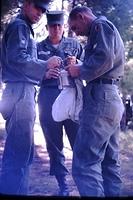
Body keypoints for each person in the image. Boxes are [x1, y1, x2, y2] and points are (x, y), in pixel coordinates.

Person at [0, 0, 62, 195]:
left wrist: (43, 72)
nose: (40, 14)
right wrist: (45, 64)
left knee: (22, 154)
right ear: (27, 4)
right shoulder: (20, 26)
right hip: (19, 93)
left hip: (21, 91)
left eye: (43, 11)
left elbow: (21, 63)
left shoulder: (24, 27)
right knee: (19, 154)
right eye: (38, 8)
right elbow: (17, 59)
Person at [66, 6, 125, 197]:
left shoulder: (100, 25)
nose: (76, 32)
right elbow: (104, 57)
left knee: (84, 162)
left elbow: (104, 57)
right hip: (109, 97)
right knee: (109, 162)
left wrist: (80, 71)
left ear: (82, 17)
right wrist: (81, 64)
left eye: (75, 27)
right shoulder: (101, 30)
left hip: (101, 98)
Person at [37, 10, 83, 196]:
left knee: (78, 141)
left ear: (64, 26)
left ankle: (83, 181)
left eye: (59, 25)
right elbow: (29, 71)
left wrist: (77, 62)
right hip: (48, 97)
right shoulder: (38, 47)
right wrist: (44, 74)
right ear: (47, 27)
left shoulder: (74, 44)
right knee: (54, 144)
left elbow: (89, 66)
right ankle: (63, 185)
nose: (56, 29)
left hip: (71, 96)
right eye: (52, 26)